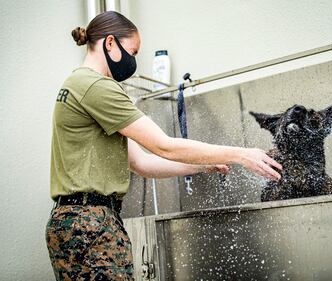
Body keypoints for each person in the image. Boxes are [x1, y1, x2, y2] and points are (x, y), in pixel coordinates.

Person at [46, 11, 282, 281]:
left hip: (73, 222)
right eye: (132, 52)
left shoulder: (77, 84)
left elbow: (141, 163)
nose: (132, 61)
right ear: (110, 43)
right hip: (91, 223)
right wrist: (241, 154)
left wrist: (202, 165)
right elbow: (163, 145)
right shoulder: (96, 87)